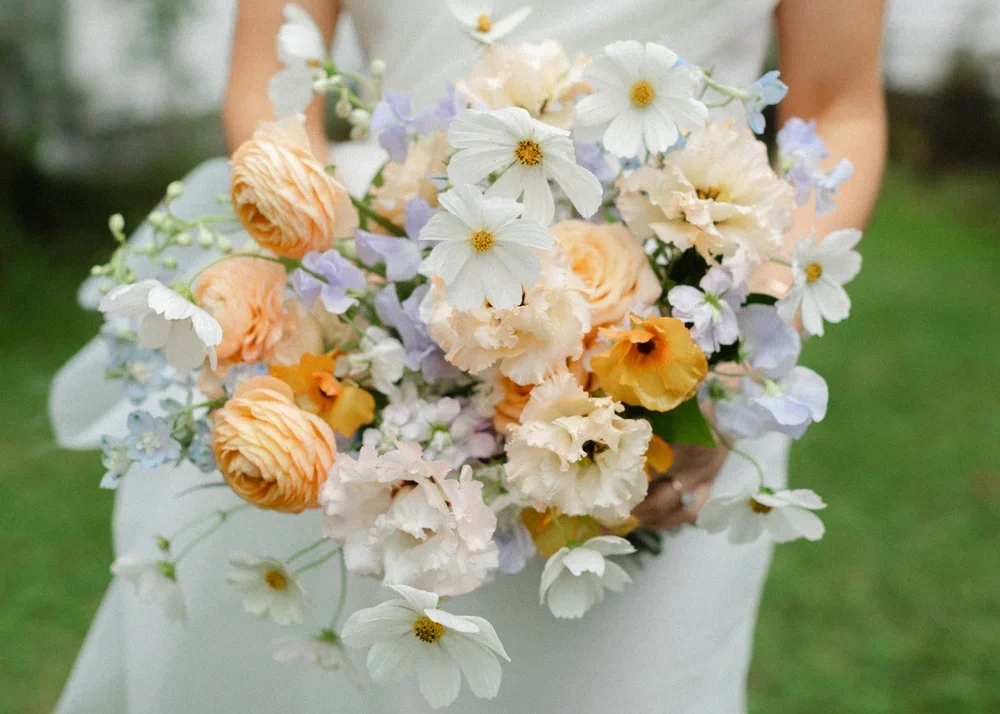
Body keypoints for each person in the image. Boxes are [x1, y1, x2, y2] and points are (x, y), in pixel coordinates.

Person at [52, 1, 886, 711]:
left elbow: (840, 102)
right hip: (366, 328)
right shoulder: (357, 313)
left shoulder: (713, 352)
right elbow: (270, 88)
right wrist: (347, 289)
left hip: (679, 333)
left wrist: (735, 342)